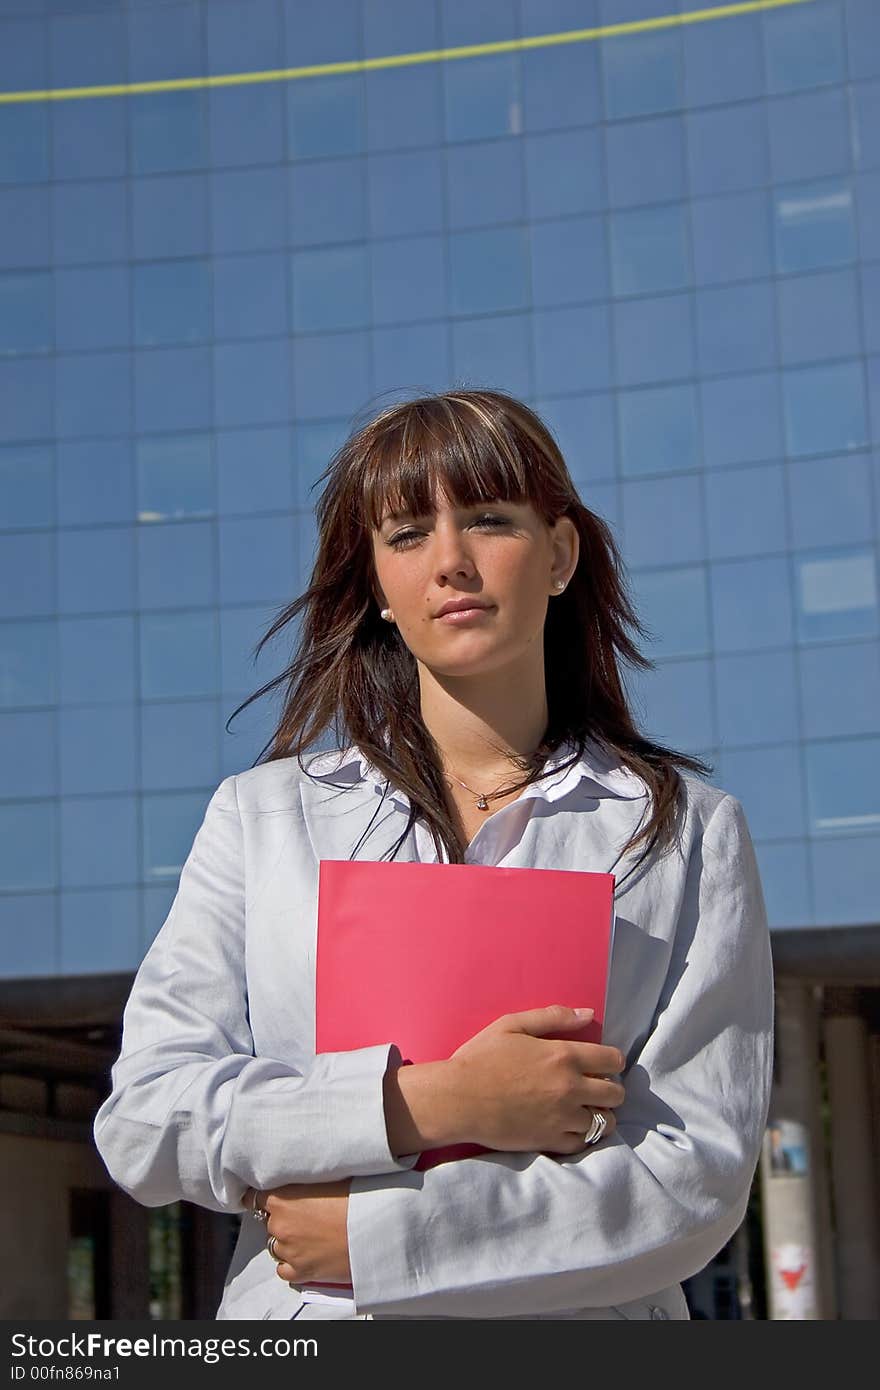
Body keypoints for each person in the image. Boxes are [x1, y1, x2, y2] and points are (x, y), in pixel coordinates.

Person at [94, 388, 774, 1321]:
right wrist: (436, 1102)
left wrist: (386, 1237)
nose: (450, 561)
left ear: (561, 554)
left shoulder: (690, 832)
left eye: (490, 520)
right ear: (375, 583)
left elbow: (696, 1176)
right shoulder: (262, 818)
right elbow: (147, 1121)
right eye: (408, 535)